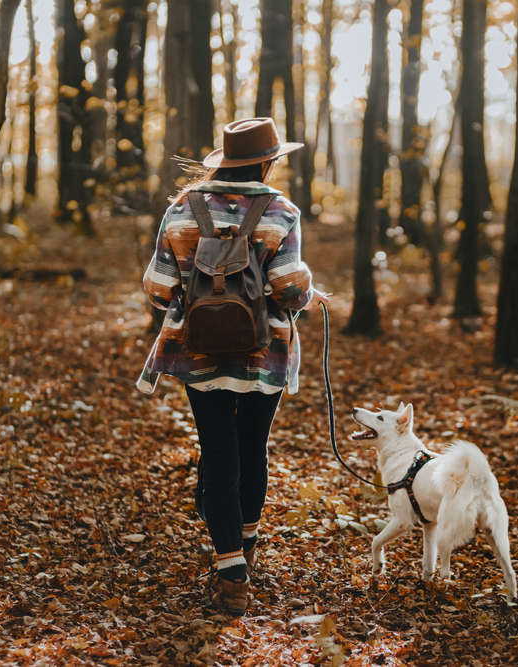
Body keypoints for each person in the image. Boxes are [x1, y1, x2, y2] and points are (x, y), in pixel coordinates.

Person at [137, 117, 328, 616]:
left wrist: (197, 288)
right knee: (252, 449)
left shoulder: (182, 209)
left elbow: (158, 290)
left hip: (198, 351)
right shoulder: (281, 211)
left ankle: (230, 573)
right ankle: (245, 546)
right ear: (265, 162)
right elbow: (289, 288)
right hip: (266, 353)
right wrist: (308, 292)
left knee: (218, 454)